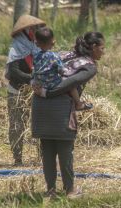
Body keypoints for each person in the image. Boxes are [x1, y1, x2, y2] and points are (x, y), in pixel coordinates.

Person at [31, 32, 105, 198]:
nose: (103, 52)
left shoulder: (63, 54)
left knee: (48, 149)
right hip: (59, 108)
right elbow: (68, 84)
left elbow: (38, 71)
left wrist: (41, 91)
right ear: (93, 48)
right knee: (65, 151)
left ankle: (50, 190)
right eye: (102, 48)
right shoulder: (89, 66)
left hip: (39, 105)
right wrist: (47, 94)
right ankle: (70, 190)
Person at [5, 15, 46, 166]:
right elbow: (14, 71)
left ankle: (42, 157)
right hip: (18, 91)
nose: (35, 31)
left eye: (37, 28)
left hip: (35, 92)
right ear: (25, 31)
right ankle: (18, 159)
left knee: (40, 125)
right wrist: (31, 79)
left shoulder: (37, 45)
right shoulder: (16, 47)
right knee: (17, 125)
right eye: (33, 29)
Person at [32, 27, 92, 111]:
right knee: (71, 84)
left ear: (37, 43)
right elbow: (62, 70)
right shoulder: (54, 56)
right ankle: (78, 104)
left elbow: (34, 68)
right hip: (51, 85)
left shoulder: (35, 56)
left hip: (40, 84)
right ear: (53, 41)